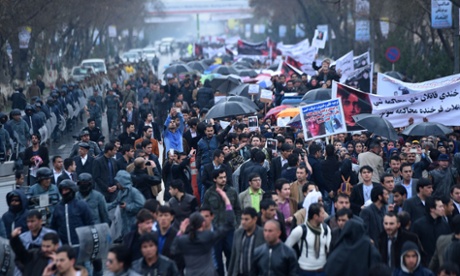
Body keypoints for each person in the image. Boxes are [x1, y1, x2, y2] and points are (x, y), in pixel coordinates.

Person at [172, 187, 235, 275]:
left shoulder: (183, 240)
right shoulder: (208, 236)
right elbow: (229, 224)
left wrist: (180, 232)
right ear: (203, 224)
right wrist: (226, 201)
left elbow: (173, 250)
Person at [202, 168, 241, 275]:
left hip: (230, 229)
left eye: (225, 177)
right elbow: (204, 211)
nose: (224, 180)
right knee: (217, 258)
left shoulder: (232, 191)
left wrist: (237, 224)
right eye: (221, 178)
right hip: (215, 230)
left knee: (231, 255)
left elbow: (238, 209)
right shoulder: (209, 193)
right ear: (215, 179)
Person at [286, 203, 331, 274]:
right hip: (305, 270)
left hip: (322, 269)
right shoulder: (300, 230)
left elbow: (329, 248)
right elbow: (286, 247)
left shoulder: (326, 229)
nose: (324, 215)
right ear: (315, 216)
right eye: (322, 213)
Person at [51, 180, 94, 245]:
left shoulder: (81, 205)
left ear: (72, 190)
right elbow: (54, 227)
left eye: (66, 190)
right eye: (62, 190)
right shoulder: (58, 207)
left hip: (80, 244)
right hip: (64, 247)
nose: (64, 192)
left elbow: (90, 224)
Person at [411, 196, 452, 262]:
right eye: (440, 207)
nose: (443, 209)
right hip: (424, 262)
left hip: (440, 263)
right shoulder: (418, 225)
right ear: (432, 209)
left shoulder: (445, 225)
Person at [227, 207, 265, 276]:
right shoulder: (238, 233)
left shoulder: (263, 234)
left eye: (246, 219)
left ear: (254, 219)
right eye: (242, 219)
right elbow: (233, 257)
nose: (243, 222)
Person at [108, 170, 146, 238]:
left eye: (118, 182)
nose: (117, 184)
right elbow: (114, 203)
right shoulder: (121, 192)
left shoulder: (134, 192)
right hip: (124, 222)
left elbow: (141, 205)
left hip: (133, 221)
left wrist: (127, 206)